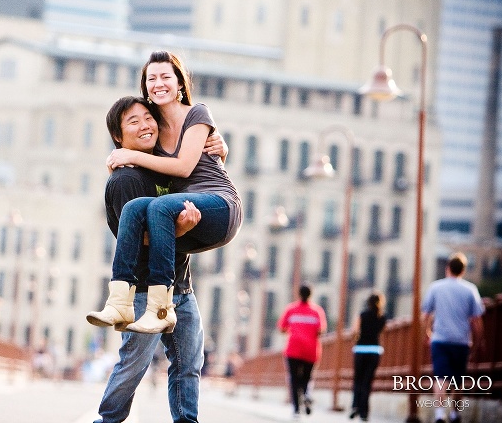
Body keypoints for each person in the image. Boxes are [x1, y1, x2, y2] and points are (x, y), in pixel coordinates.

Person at [92, 95, 226, 423]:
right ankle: (106, 421)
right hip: (141, 292)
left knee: (188, 366)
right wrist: (180, 229)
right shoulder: (126, 179)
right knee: (133, 365)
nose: (145, 125)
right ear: (118, 139)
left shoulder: (168, 166)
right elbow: (140, 240)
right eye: (133, 122)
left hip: (180, 286)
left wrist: (222, 150)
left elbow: (206, 177)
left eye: (147, 118)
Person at [90, 50, 242, 334]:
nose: (158, 83)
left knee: (158, 207)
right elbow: (145, 156)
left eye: (165, 77)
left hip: (221, 204)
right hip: (186, 207)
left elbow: (185, 167)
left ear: (180, 84)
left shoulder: (198, 113)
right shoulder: (153, 128)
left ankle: (161, 309)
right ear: (145, 87)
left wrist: (128, 155)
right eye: (151, 78)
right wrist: (125, 158)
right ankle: (120, 301)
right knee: (135, 208)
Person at [421, 252, 485, 423]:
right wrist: (478, 341)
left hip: (440, 339)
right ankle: (455, 414)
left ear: (447, 268)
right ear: (463, 270)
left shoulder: (436, 287)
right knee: (458, 380)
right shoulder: (470, 289)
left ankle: (440, 414)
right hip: (461, 341)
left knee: (440, 378)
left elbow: (425, 316)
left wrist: (427, 333)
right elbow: (477, 320)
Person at [278, 285, 327, 420]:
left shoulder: (291, 309)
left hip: (293, 349)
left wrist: (293, 330)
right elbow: (321, 330)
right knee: (307, 377)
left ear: (298, 294)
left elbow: (282, 328)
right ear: (311, 295)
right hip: (311, 350)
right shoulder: (317, 311)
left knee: (294, 379)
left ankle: (296, 410)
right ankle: (306, 394)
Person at [349, 292, 387, 421]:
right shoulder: (382, 317)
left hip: (360, 349)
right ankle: (364, 412)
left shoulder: (362, 315)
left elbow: (354, 331)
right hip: (374, 351)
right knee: (367, 381)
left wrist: (356, 338)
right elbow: (381, 332)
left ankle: (355, 406)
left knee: (358, 380)